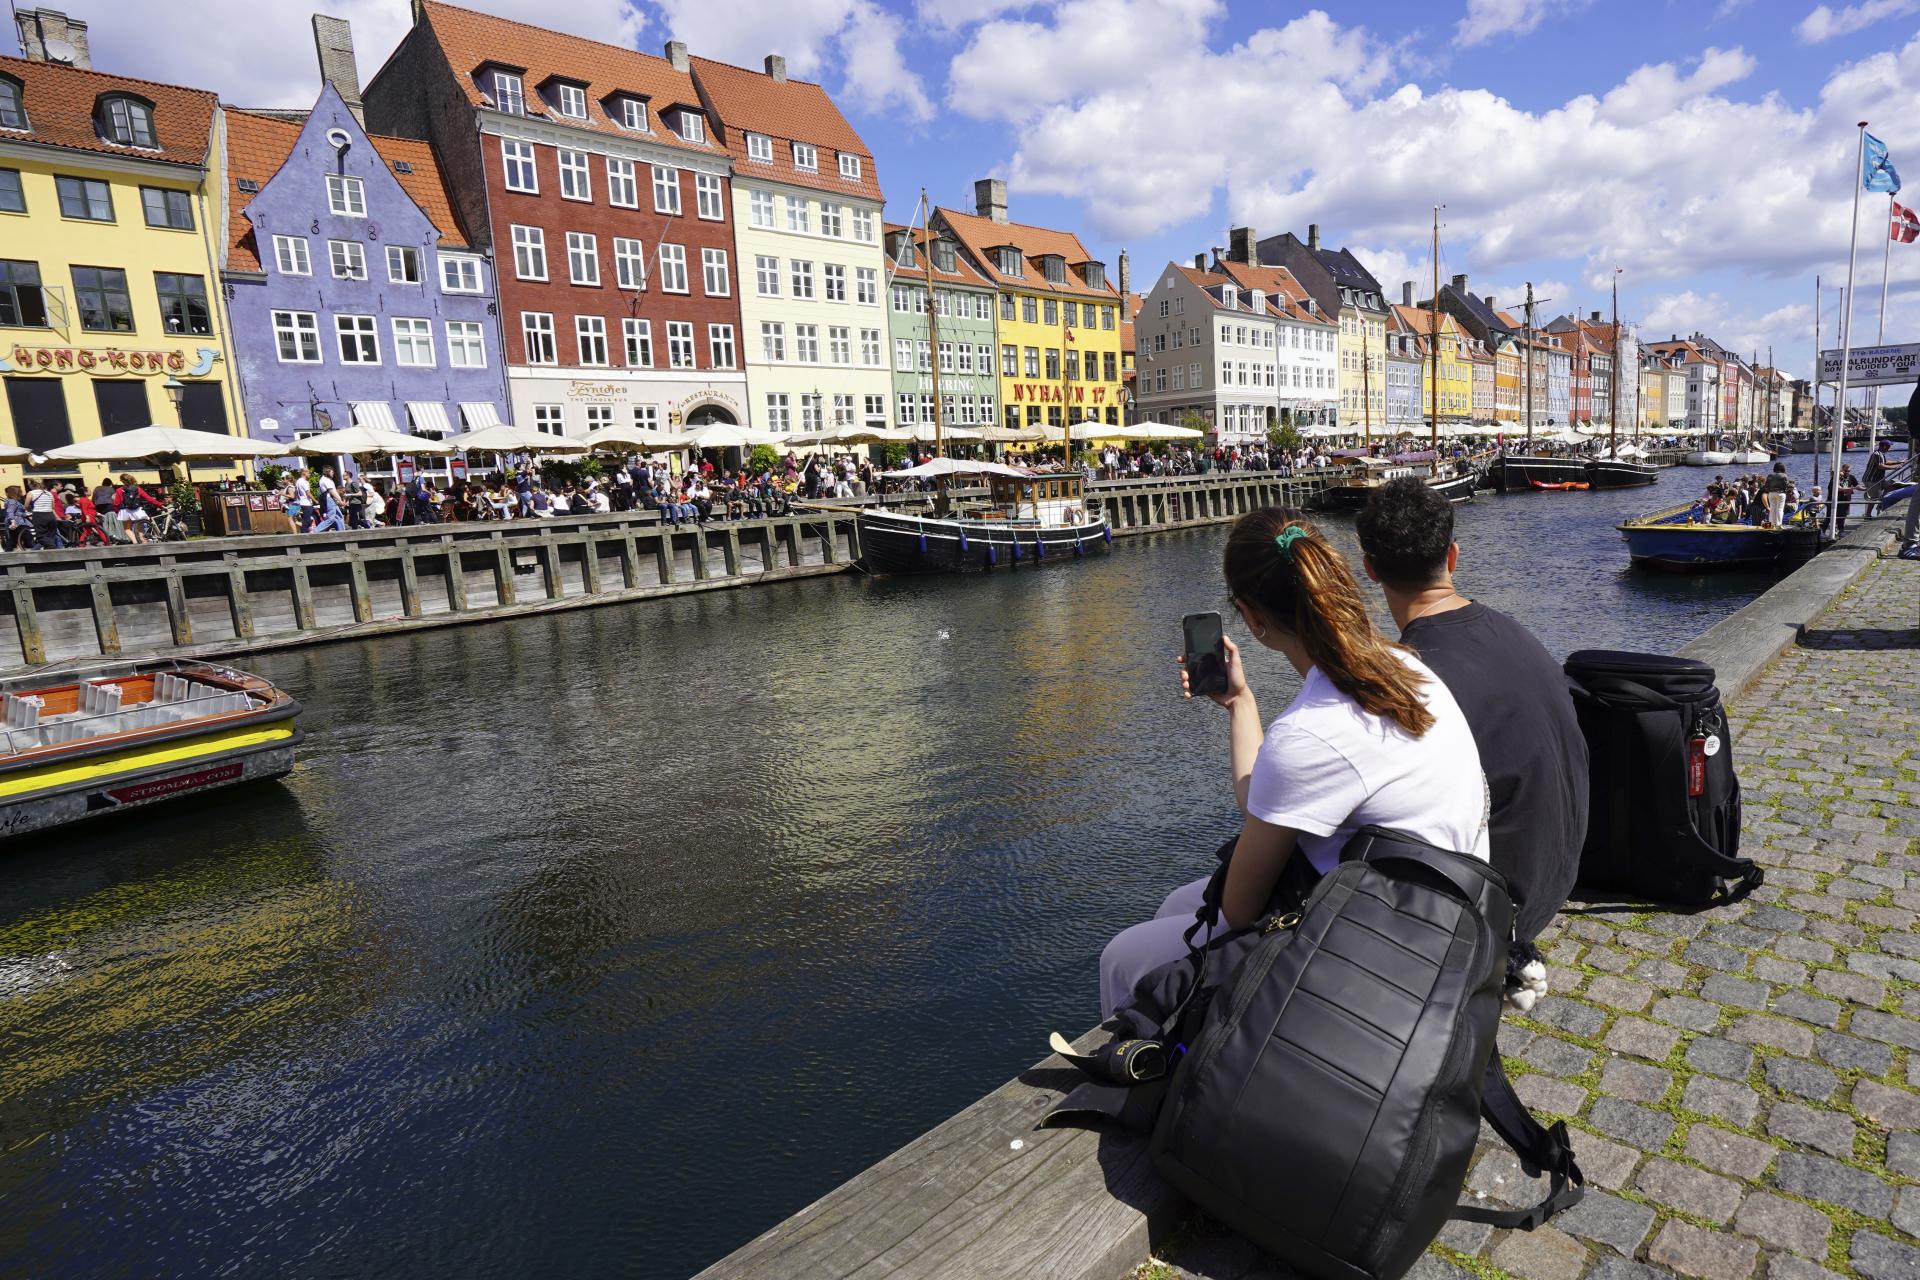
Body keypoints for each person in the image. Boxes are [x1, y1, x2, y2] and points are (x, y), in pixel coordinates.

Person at [1097, 508, 1488, 1018]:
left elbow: (1240, 910)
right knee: (1177, 905)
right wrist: (1241, 704)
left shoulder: (1310, 732)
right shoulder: (1406, 668)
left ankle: (1150, 1071)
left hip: (1388, 955)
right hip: (1449, 914)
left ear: (1252, 618)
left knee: (1122, 957)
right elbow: (1271, 799)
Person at [1355, 478, 1588, 944]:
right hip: (1558, 874)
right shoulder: (1513, 631)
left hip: (1500, 909)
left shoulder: (1414, 674)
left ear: (1370, 570)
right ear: (1453, 556)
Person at [1862, 439, 1890, 516]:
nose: (1889, 448)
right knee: (1874, 497)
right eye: (1888, 446)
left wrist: (1899, 462)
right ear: (1884, 446)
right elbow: (1881, 466)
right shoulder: (1877, 454)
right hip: (1872, 480)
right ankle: (1868, 514)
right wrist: (1895, 467)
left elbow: (1886, 462)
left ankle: (1882, 502)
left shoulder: (1881, 454)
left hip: (1879, 479)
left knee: (1890, 486)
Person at [1763, 462, 1792, 527]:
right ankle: (1778, 525)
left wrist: (1769, 490)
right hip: (1780, 493)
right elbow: (1787, 485)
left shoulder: (1770, 475)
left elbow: (1766, 486)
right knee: (1780, 509)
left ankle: (1771, 524)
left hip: (1771, 493)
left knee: (1772, 509)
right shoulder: (1784, 475)